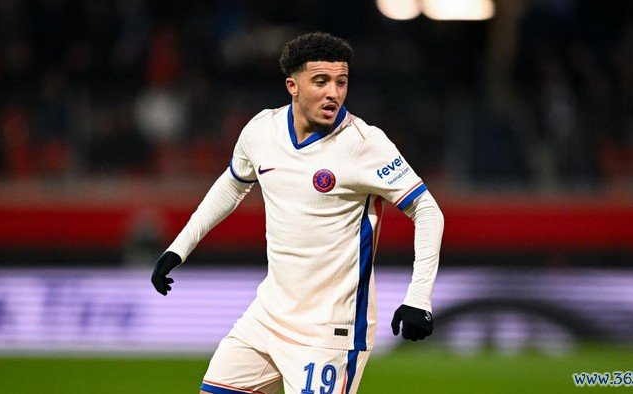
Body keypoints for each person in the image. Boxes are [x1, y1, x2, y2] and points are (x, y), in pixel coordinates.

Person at [151, 32, 444, 394]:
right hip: (267, 316)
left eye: (341, 82)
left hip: (329, 332)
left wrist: (418, 297)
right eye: (320, 81)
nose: (333, 93)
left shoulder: (366, 145)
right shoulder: (261, 130)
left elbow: (427, 210)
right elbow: (232, 184)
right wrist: (178, 248)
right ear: (292, 84)